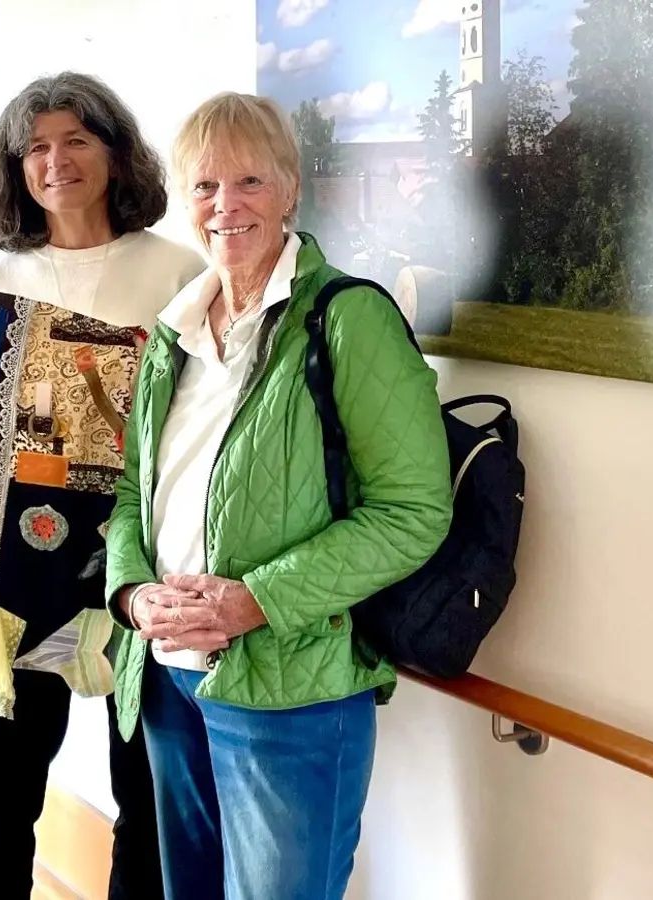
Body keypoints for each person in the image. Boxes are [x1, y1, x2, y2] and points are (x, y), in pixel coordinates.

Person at [102, 92, 454, 900]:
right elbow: (131, 495)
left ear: (291, 188)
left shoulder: (349, 319)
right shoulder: (174, 335)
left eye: (250, 181)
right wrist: (131, 593)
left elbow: (413, 513)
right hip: (167, 680)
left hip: (291, 689)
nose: (226, 205)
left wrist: (254, 600)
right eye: (204, 187)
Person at [0, 71, 206, 900]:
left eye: (76, 140)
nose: (55, 161)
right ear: (14, 167)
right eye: (35, 147)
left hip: (144, 556)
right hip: (18, 571)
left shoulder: (179, 272)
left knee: (147, 795)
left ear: (116, 152)